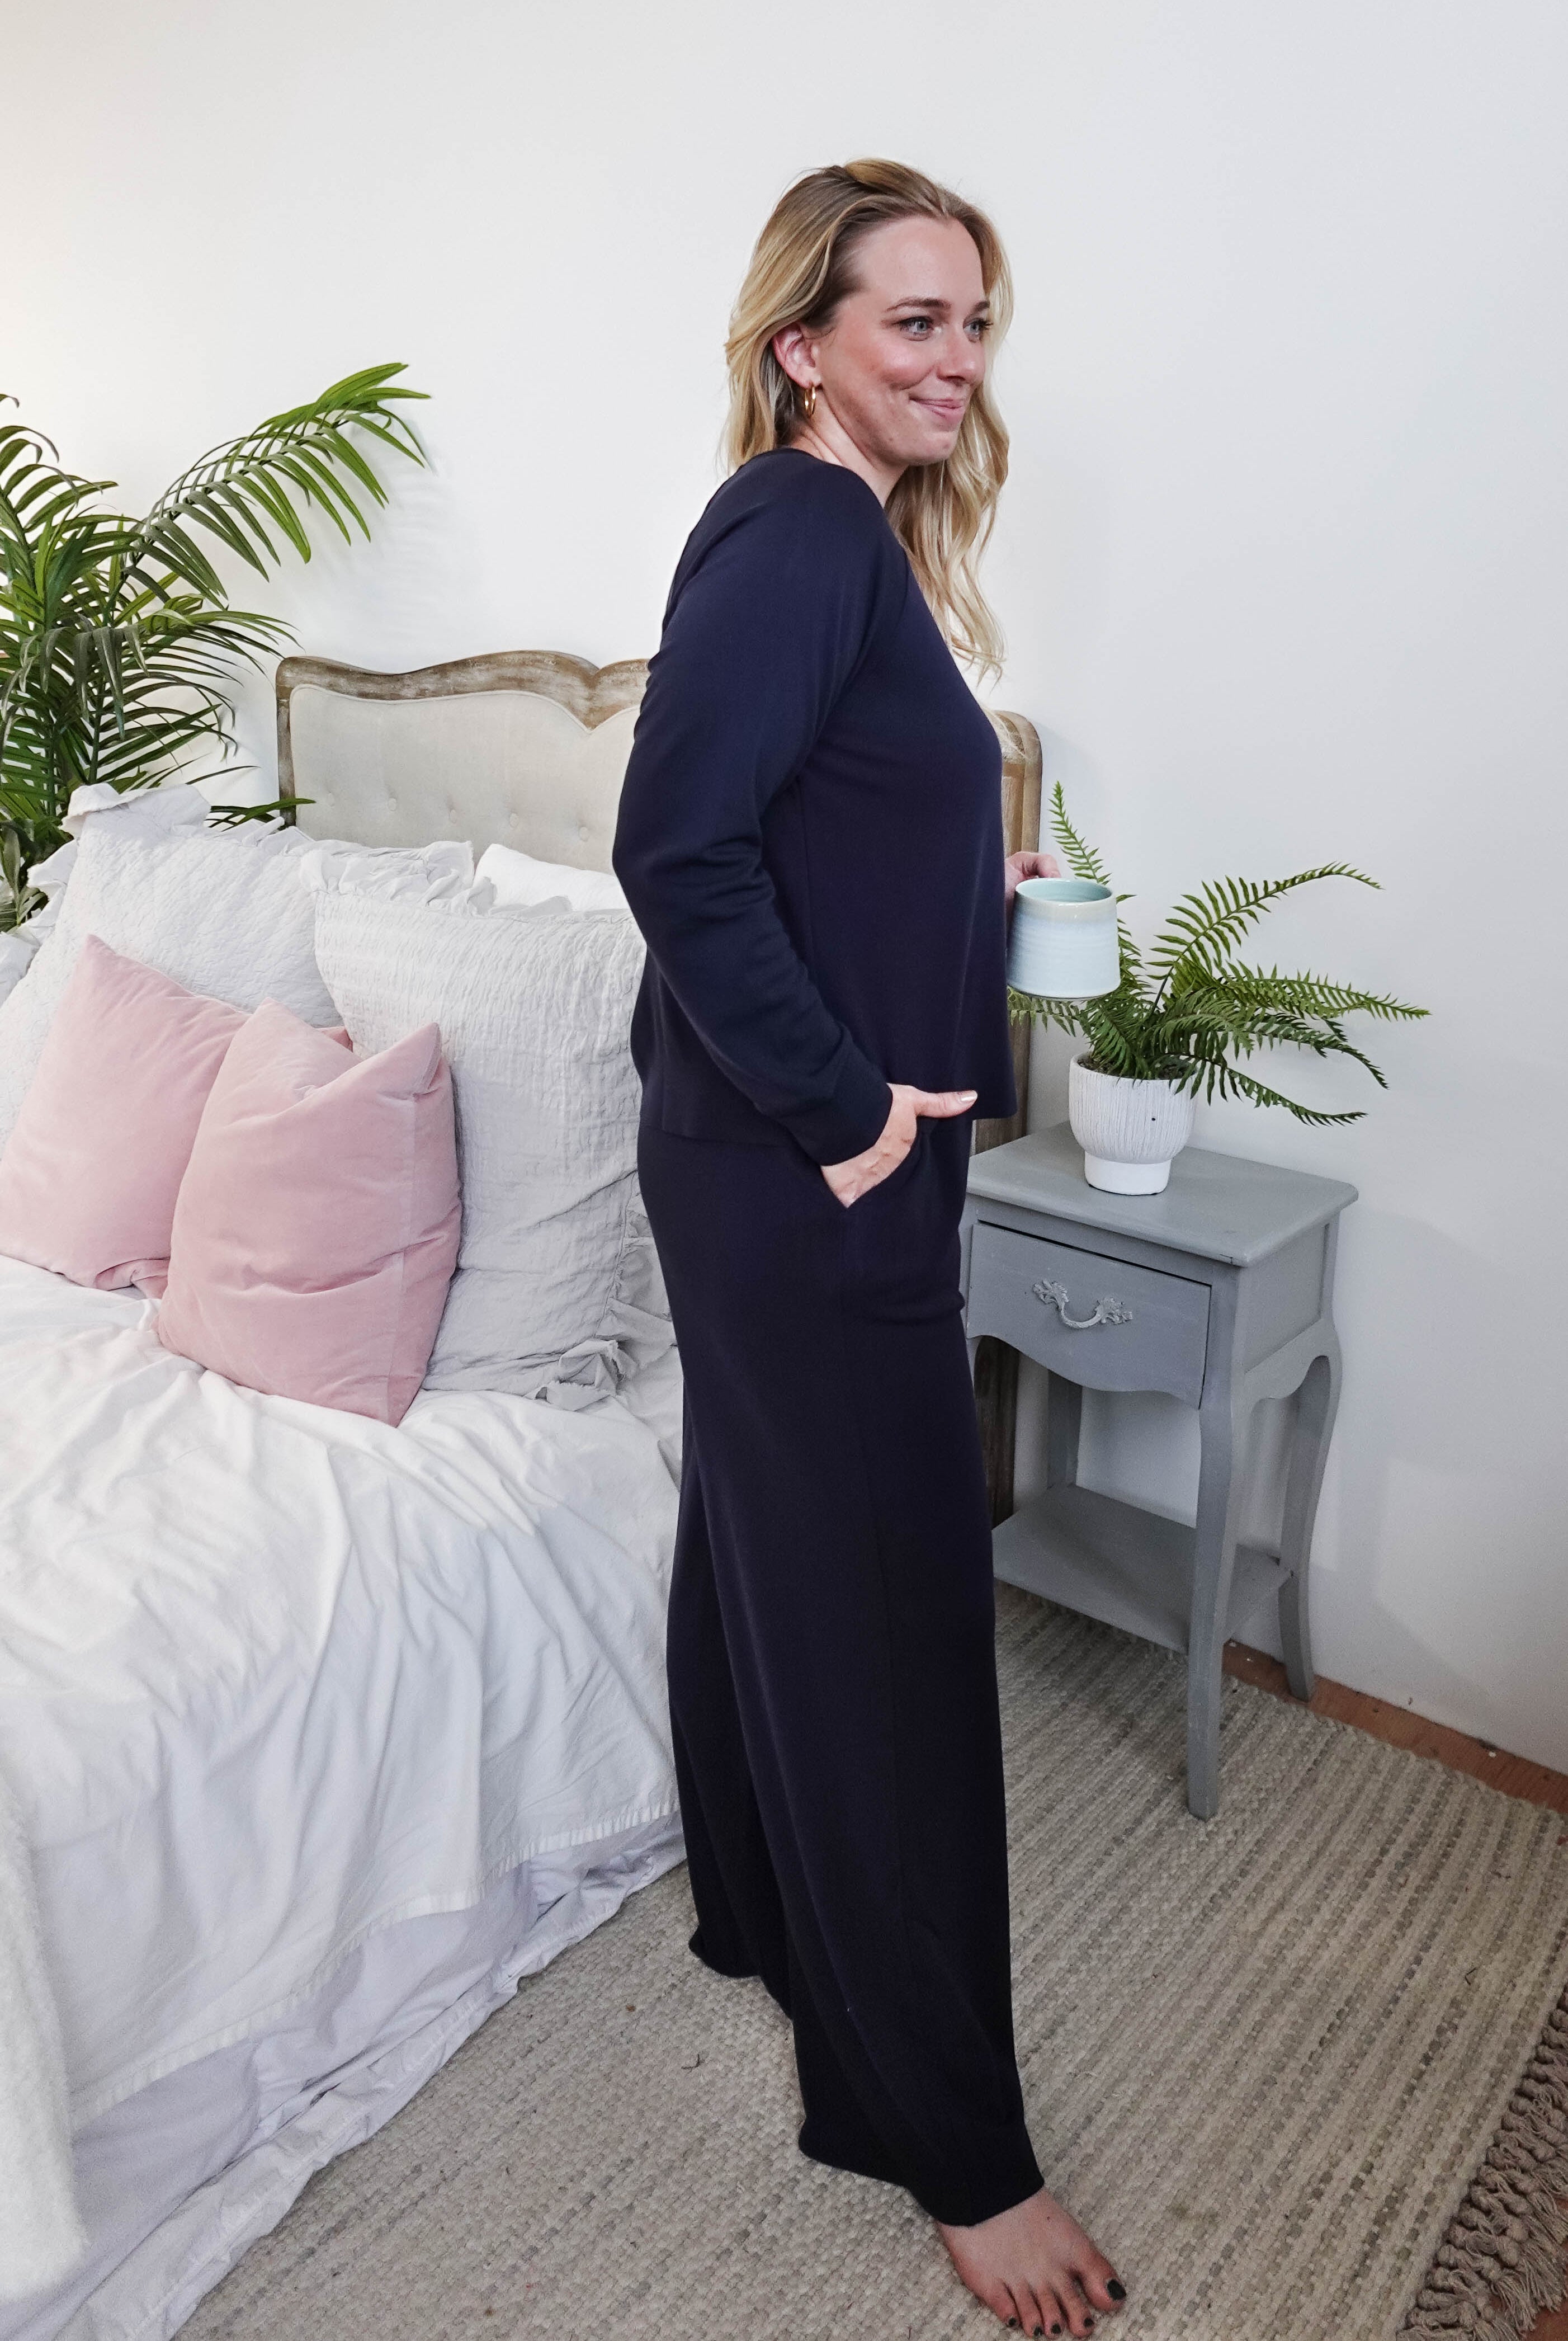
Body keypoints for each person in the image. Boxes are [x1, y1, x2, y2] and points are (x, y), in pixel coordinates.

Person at [612, 159, 1126, 2339]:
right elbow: (672, 849)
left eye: (975, 322)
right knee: (894, 1639)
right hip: (798, 1174)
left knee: (764, 1547)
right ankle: (950, 2145)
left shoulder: (838, 550)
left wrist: (957, 861)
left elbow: (788, 828)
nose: (953, 361)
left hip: (773, 1167)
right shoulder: (802, 532)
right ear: (799, 339)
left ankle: (753, 1909)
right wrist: (841, 1114)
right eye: (909, 320)